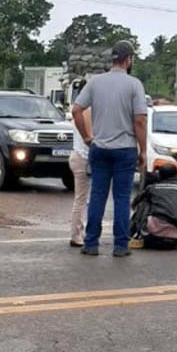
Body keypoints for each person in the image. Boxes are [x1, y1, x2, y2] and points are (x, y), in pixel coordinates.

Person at [71, 40, 148, 257]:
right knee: (122, 198)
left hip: (100, 147)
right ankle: (120, 246)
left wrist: (87, 136)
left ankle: (91, 243)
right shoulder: (134, 85)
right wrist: (142, 151)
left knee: (97, 196)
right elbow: (140, 121)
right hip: (124, 149)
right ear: (129, 59)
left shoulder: (95, 83)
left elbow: (77, 110)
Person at [69, 103, 93, 247]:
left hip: (77, 155)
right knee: (83, 199)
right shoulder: (89, 112)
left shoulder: (81, 112)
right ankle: (77, 234)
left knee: (81, 198)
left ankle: (77, 233)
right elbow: (90, 138)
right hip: (85, 158)